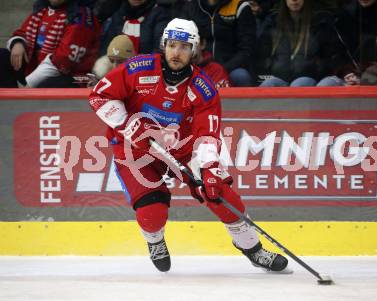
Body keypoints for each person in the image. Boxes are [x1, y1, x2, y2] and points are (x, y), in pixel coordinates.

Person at [88, 18, 288, 273]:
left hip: (182, 149)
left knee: (222, 196)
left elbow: (207, 134)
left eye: (184, 46)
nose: (176, 52)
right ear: (164, 45)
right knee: (152, 213)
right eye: (172, 45)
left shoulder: (203, 88)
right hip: (134, 148)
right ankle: (155, 241)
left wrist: (210, 168)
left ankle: (254, 250)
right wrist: (128, 124)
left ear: (194, 50)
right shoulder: (137, 69)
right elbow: (99, 96)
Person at [0, 0, 101, 88]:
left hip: (79, 77)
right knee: (2, 56)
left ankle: (25, 102)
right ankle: (10, 103)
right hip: (40, 69)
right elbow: (21, 33)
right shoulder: (41, 10)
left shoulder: (80, 17)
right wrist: (18, 43)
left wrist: (29, 85)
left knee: (49, 84)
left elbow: (63, 61)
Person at [259, 0, 344, 87]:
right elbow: (262, 54)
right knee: (268, 84)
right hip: (279, 77)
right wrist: (267, 71)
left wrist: (316, 69)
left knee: (299, 83)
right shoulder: (272, 22)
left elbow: (330, 55)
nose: (294, 0)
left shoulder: (320, 22)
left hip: (309, 77)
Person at [181, 0, 257, 86]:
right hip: (199, 66)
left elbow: (247, 50)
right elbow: (183, 42)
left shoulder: (240, 6)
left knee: (241, 76)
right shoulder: (191, 6)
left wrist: (221, 69)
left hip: (231, 67)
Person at [99, 0, 172, 57]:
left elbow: (159, 49)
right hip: (118, 65)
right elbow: (106, 47)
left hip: (145, 68)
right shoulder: (119, 13)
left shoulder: (160, 15)